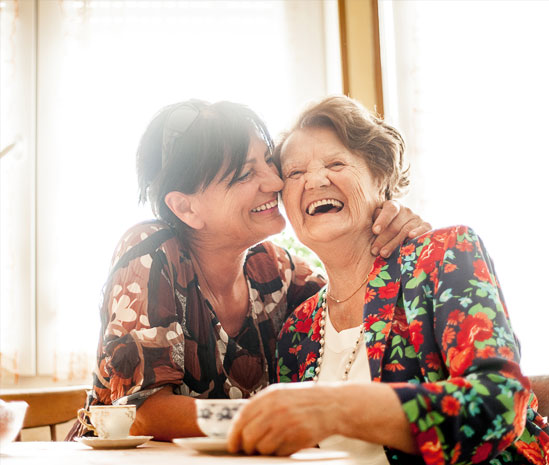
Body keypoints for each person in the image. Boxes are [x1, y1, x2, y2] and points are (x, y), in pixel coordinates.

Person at [226, 95, 549, 465]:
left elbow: (500, 403)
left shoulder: (443, 257)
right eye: (294, 174)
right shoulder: (297, 329)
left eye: (336, 163)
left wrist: (338, 407)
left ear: (381, 178)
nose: (316, 180)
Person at [67, 99, 430, 441]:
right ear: (186, 208)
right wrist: (272, 418)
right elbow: (144, 411)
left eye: (269, 163)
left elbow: (351, 297)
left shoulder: (274, 268)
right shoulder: (151, 251)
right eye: (244, 174)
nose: (275, 183)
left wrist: (386, 220)